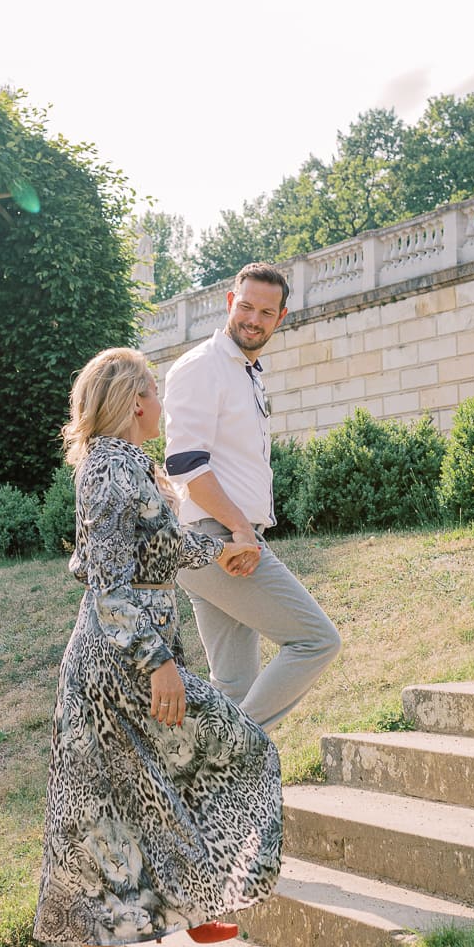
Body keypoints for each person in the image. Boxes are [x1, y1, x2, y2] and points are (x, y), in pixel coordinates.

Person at [33, 347, 282, 947]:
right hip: (119, 664)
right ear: (133, 399)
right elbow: (108, 584)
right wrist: (158, 665)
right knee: (235, 748)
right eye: (153, 387)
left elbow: (157, 551)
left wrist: (216, 552)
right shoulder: (111, 471)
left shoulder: (128, 465)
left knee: (106, 814)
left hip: (126, 656)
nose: (162, 400)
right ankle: (202, 899)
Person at [163, 262, 341, 734]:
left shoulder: (247, 373)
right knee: (316, 641)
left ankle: (213, 794)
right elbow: (185, 464)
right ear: (229, 303)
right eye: (245, 307)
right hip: (217, 538)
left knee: (234, 685)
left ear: (280, 317)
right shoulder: (203, 366)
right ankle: (234, 754)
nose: (253, 319)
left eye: (266, 311)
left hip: (220, 537)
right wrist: (241, 531)